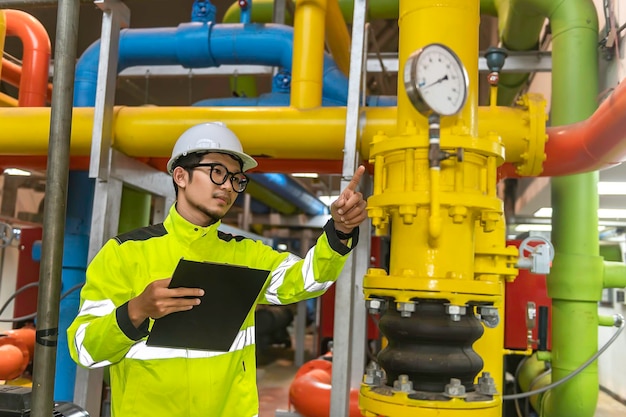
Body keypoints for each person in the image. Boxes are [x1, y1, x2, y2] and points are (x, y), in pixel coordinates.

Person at [67, 121, 368, 417]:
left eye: (236, 179)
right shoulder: (124, 254)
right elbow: (84, 349)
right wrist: (136, 310)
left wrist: (339, 231)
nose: (228, 186)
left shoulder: (246, 254)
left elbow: (309, 279)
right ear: (181, 176)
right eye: (217, 172)